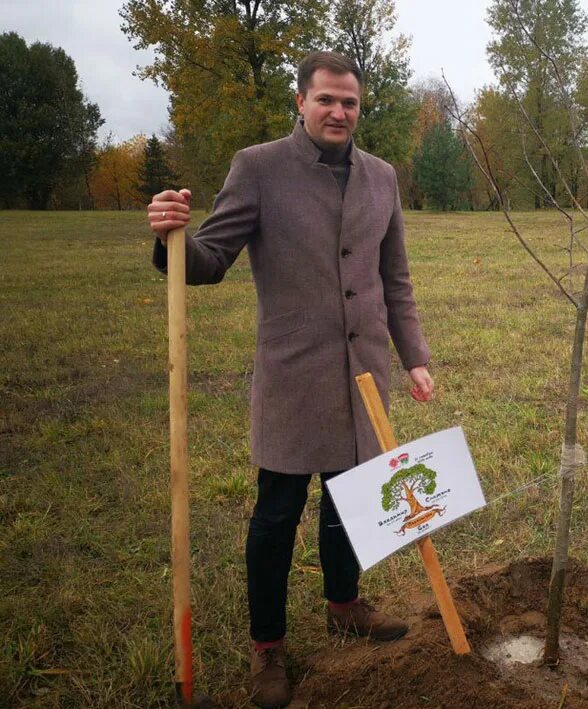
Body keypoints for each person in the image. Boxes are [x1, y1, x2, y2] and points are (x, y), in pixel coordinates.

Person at [146, 51, 434, 708]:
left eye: (350, 102)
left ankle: (344, 602)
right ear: (300, 102)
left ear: (361, 109)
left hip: (362, 376)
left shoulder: (382, 178)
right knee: (276, 514)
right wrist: (171, 238)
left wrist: (414, 354)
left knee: (351, 500)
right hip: (291, 380)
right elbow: (210, 258)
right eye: (326, 99)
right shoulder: (259, 168)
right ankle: (268, 647)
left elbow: (396, 278)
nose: (338, 112)